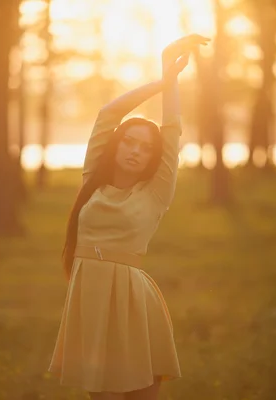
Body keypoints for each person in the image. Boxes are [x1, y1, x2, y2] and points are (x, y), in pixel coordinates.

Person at [48, 34, 210, 400]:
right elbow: (108, 114)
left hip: (136, 305)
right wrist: (161, 80)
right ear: (117, 144)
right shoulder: (93, 180)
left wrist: (174, 86)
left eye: (145, 148)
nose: (136, 151)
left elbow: (172, 130)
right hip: (91, 301)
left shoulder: (156, 192)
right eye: (129, 142)